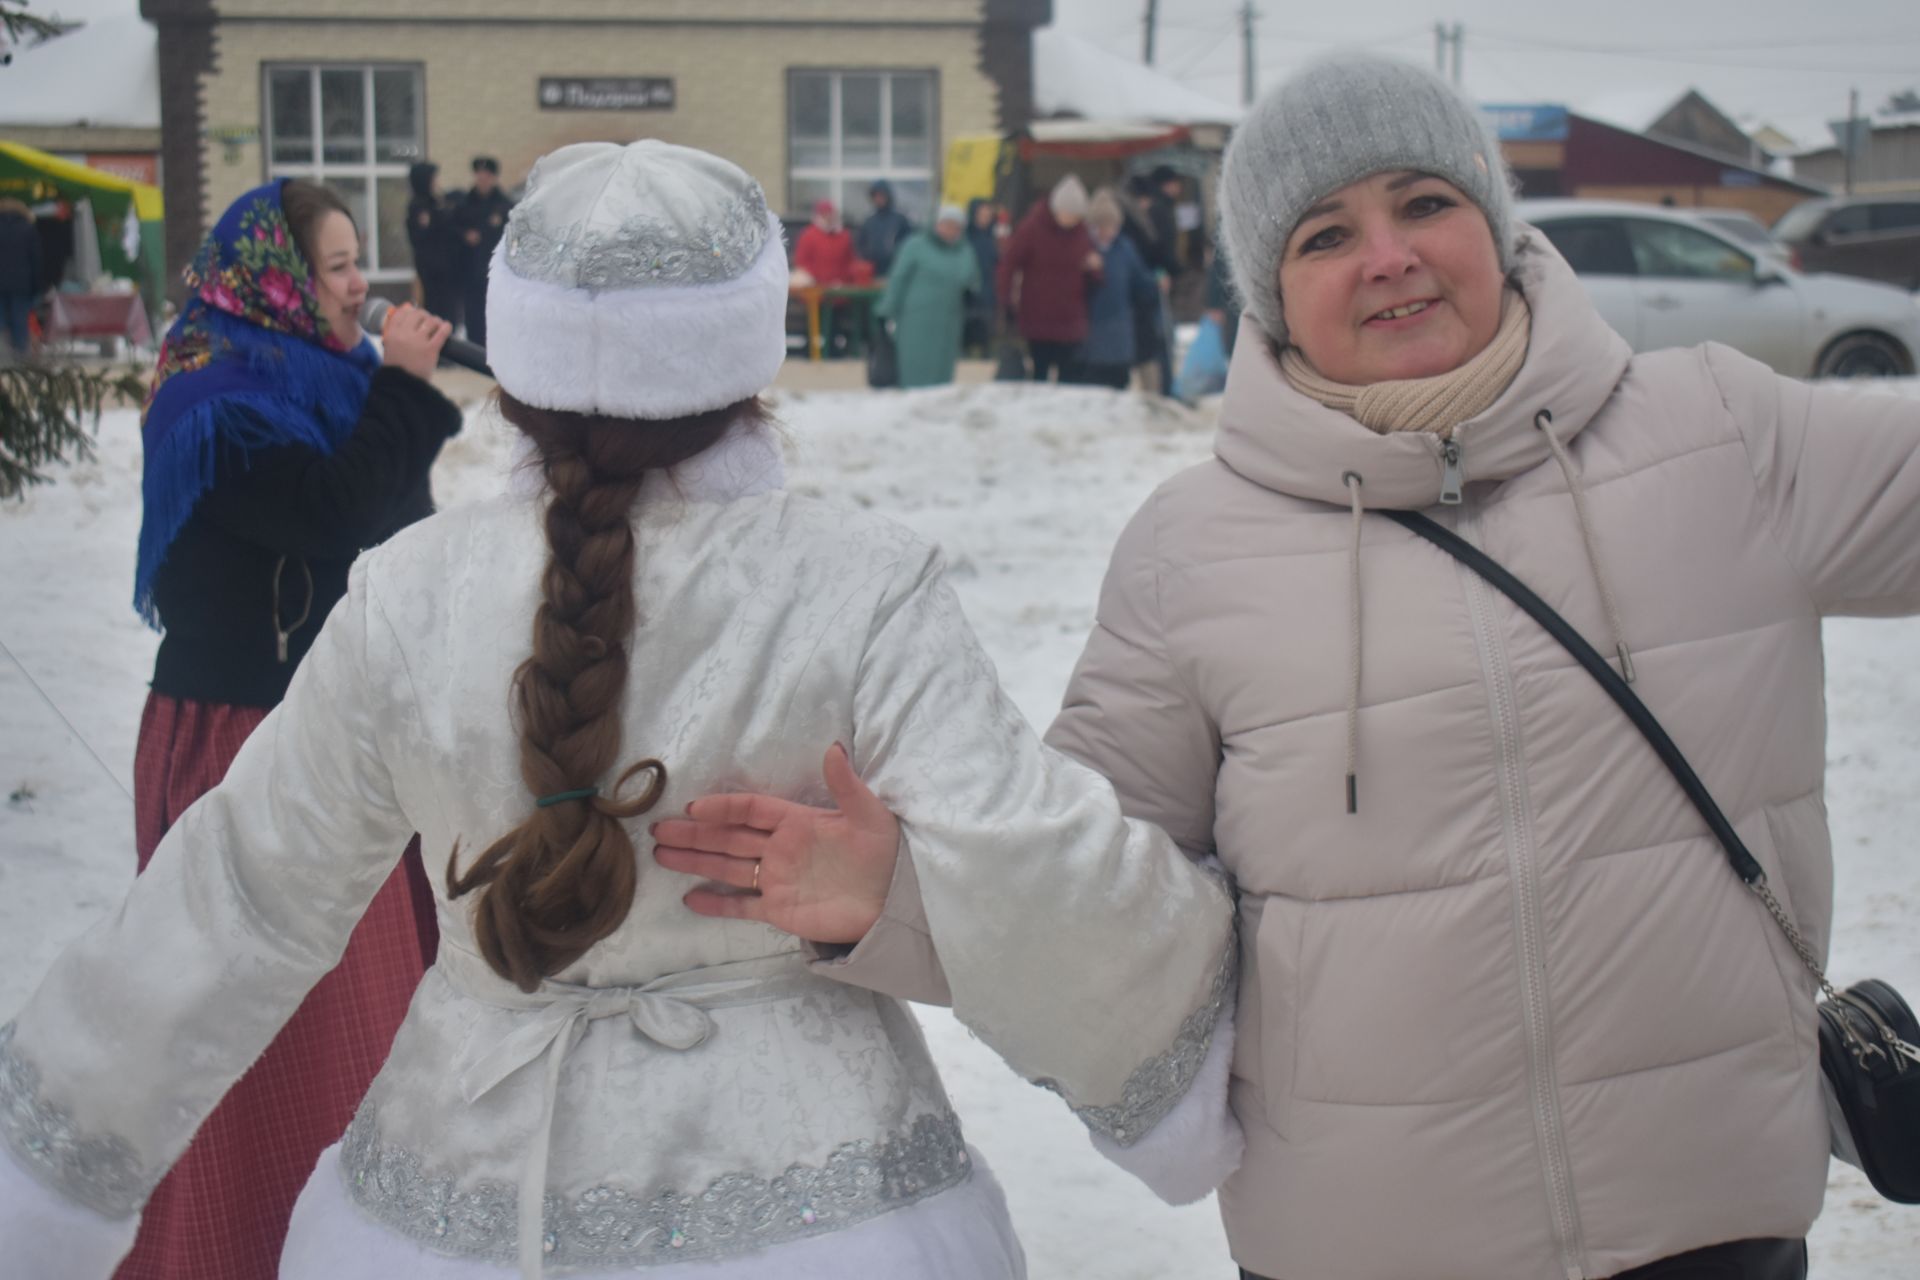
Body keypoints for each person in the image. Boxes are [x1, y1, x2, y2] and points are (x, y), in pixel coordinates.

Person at [676, 52, 1920, 1280]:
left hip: (1706, 1224)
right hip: (1361, 1243)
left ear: (1496, 222)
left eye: (1427, 203)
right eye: (1326, 234)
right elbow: (1080, 887)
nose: (1389, 255)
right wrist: (899, 891)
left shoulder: (1721, 434)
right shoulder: (1193, 548)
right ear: (1270, 293)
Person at [0, 140, 1235, 1280]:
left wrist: (54, 1145)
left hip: (452, 1206)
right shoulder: (856, 580)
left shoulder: (412, 594)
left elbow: (240, 889)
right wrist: (1193, 1015)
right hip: (823, 1211)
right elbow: (1029, 859)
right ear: (749, 349)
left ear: (521, 360)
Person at [105, 178, 459, 1279]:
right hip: (239, 750)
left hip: (333, 742)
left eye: (363, 260)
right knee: (255, 1030)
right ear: (275, 276)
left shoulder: (328, 379)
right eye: (340, 265)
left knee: (371, 1017)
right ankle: (231, 1247)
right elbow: (326, 514)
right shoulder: (215, 394)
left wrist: (392, 404)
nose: (365, 285)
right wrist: (398, 392)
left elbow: (392, 528)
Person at [997, 176, 1101, 383]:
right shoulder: (1031, 228)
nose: (1070, 220)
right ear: (1056, 209)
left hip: (1071, 320)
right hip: (1038, 318)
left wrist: (1095, 269)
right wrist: (1006, 301)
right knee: (1040, 375)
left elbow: (1095, 279)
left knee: (1069, 378)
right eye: (1067, 214)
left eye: (1076, 216)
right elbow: (1008, 265)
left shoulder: (1082, 233)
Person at [877, 204, 979, 389]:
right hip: (915, 320)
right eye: (947, 225)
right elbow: (898, 279)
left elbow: (971, 280)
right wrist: (887, 310)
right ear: (936, 224)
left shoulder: (964, 251)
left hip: (948, 321)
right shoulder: (915, 246)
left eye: (956, 227)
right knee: (915, 364)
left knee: (942, 368)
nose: (951, 231)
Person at [1070, 189, 1157, 390]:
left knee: (1118, 387)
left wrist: (1154, 283)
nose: (1108, 232)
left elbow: (1140, 281)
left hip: (1119, 334)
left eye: (1113, 226)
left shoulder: (1125, 248)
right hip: (1090, 335)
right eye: (1102, 226)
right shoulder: (1083, 247)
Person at [454, 155, 513, 348]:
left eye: (487, 175)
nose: (482, 179)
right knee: (474, 312)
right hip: (470, 269)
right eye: (479, 175)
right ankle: (475, 348)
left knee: (497, 312)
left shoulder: (504, 205)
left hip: (496, 270)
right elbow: (453, 229)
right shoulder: (464, 204)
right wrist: (465, 235)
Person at [406, 161, 464, 329]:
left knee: (449, 314)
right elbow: (423, 235)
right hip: (433, 272)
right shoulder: (419, 206)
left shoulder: (437, 202)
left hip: (447, 270)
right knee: (437, 313)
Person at [0, 196, 41, 359]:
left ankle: (2, 358)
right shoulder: (28, 229)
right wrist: (37, 286)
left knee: (1, 321)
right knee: (20, 321)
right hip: (22, 285)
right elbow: (36, 260)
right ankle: (19, 357)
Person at [961, 198, 1001, 356]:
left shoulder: (993, 238)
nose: (985, 218)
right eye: (981, 214)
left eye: (988, 214)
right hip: (968, 294)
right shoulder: (964, 238)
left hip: (988, 292)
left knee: (986, 336)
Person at [790, 198, 857, 286]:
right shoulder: (808, 236)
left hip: (841, 287)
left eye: (830, 214)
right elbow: (802, 263)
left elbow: (850, 261)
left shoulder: (844, 236)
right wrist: (820, 279)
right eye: (824, 214)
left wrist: (844, 279)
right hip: (816, 290)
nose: (828, 217)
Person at [854, 178, 912, 278]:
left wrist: (897, 256)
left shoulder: (900, 220)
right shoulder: (869, 222)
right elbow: (860, 244)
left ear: (888, 196)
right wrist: (867, 258)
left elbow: (909, 244)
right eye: (876, 196)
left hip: (895, 270)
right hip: (873, 272)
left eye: (882, 195)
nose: (879, 199)